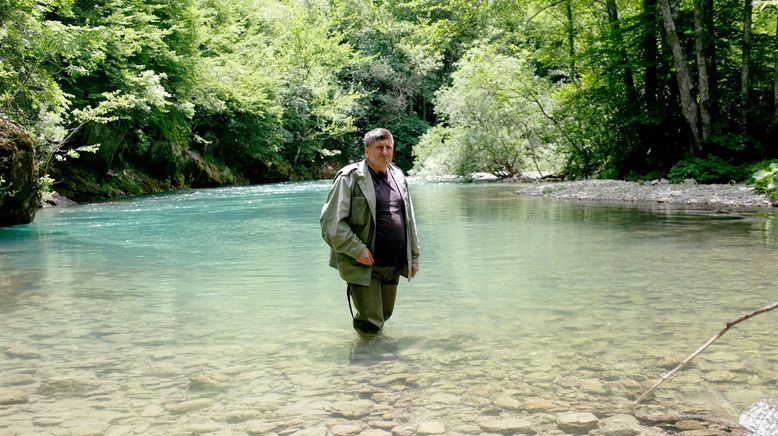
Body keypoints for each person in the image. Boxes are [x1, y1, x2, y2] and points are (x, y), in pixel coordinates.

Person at [320, 128, 420, 334]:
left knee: (384, 314)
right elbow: (332, 224)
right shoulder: (350, 178)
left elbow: (409, 220)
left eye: (388, 147)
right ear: (367, 151)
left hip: (393, 262)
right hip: (364, 263)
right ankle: (367, 362)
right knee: (371, 320)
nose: (384, 152)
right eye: (379, 148)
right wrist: (358, 250)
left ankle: (375, 358)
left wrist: (414, 256)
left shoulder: (398, 176)